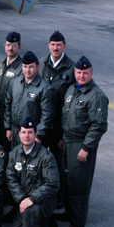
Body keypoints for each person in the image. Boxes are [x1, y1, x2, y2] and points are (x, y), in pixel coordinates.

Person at [57, 56, 108, 227]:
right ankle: (70, 215)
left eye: (85, 73)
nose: (81, 75)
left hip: (81, 144)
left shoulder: (96, 96)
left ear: (91, 73)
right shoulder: (72, 89)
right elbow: (66, 115)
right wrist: (63, 137)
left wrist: (86, 148)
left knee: (79, 186)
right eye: (78, 72)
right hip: (68, 142)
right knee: (68, 181)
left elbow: (99, 125)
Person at [6, 117, 59, 227]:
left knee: (30, 213)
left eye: (30, 132)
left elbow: (53, 184)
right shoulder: (14, 154)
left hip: (44, 200)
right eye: (23, 132)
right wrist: (23, 198)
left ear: (35, 135)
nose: (26, 135)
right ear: (19, 134)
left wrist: (33, 199)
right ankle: (44, 222)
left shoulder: (46, 157)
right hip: (25, 199)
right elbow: (11, 179)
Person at [38, 31, 75, 207]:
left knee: (58, 162)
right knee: (38, 159)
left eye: (59, 45)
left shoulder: (72, 69)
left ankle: (58, 195)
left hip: (59, 125)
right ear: (49, 46)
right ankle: (39, 190)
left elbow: (71, 106)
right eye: (52, 44)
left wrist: (62, 134)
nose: (55, 48)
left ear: (64, 46)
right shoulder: (42, 64)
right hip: (42, 123)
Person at [4, 51, 55, 149]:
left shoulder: (45, 89)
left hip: (32, 135)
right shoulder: (14, 83)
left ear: (38, 67)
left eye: (31, 67)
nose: (28, 70)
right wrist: (8, 127)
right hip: (15, 132)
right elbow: (7, 105)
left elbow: (47, 115)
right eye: (25, 66)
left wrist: (38, 135)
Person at [0, 31, 23, 150]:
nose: (10, 48)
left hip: (10, 115)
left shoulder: (21, 68)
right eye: (8, 44)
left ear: (19, 47)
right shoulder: (1, 64)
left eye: (14, 45)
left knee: (7, 147)